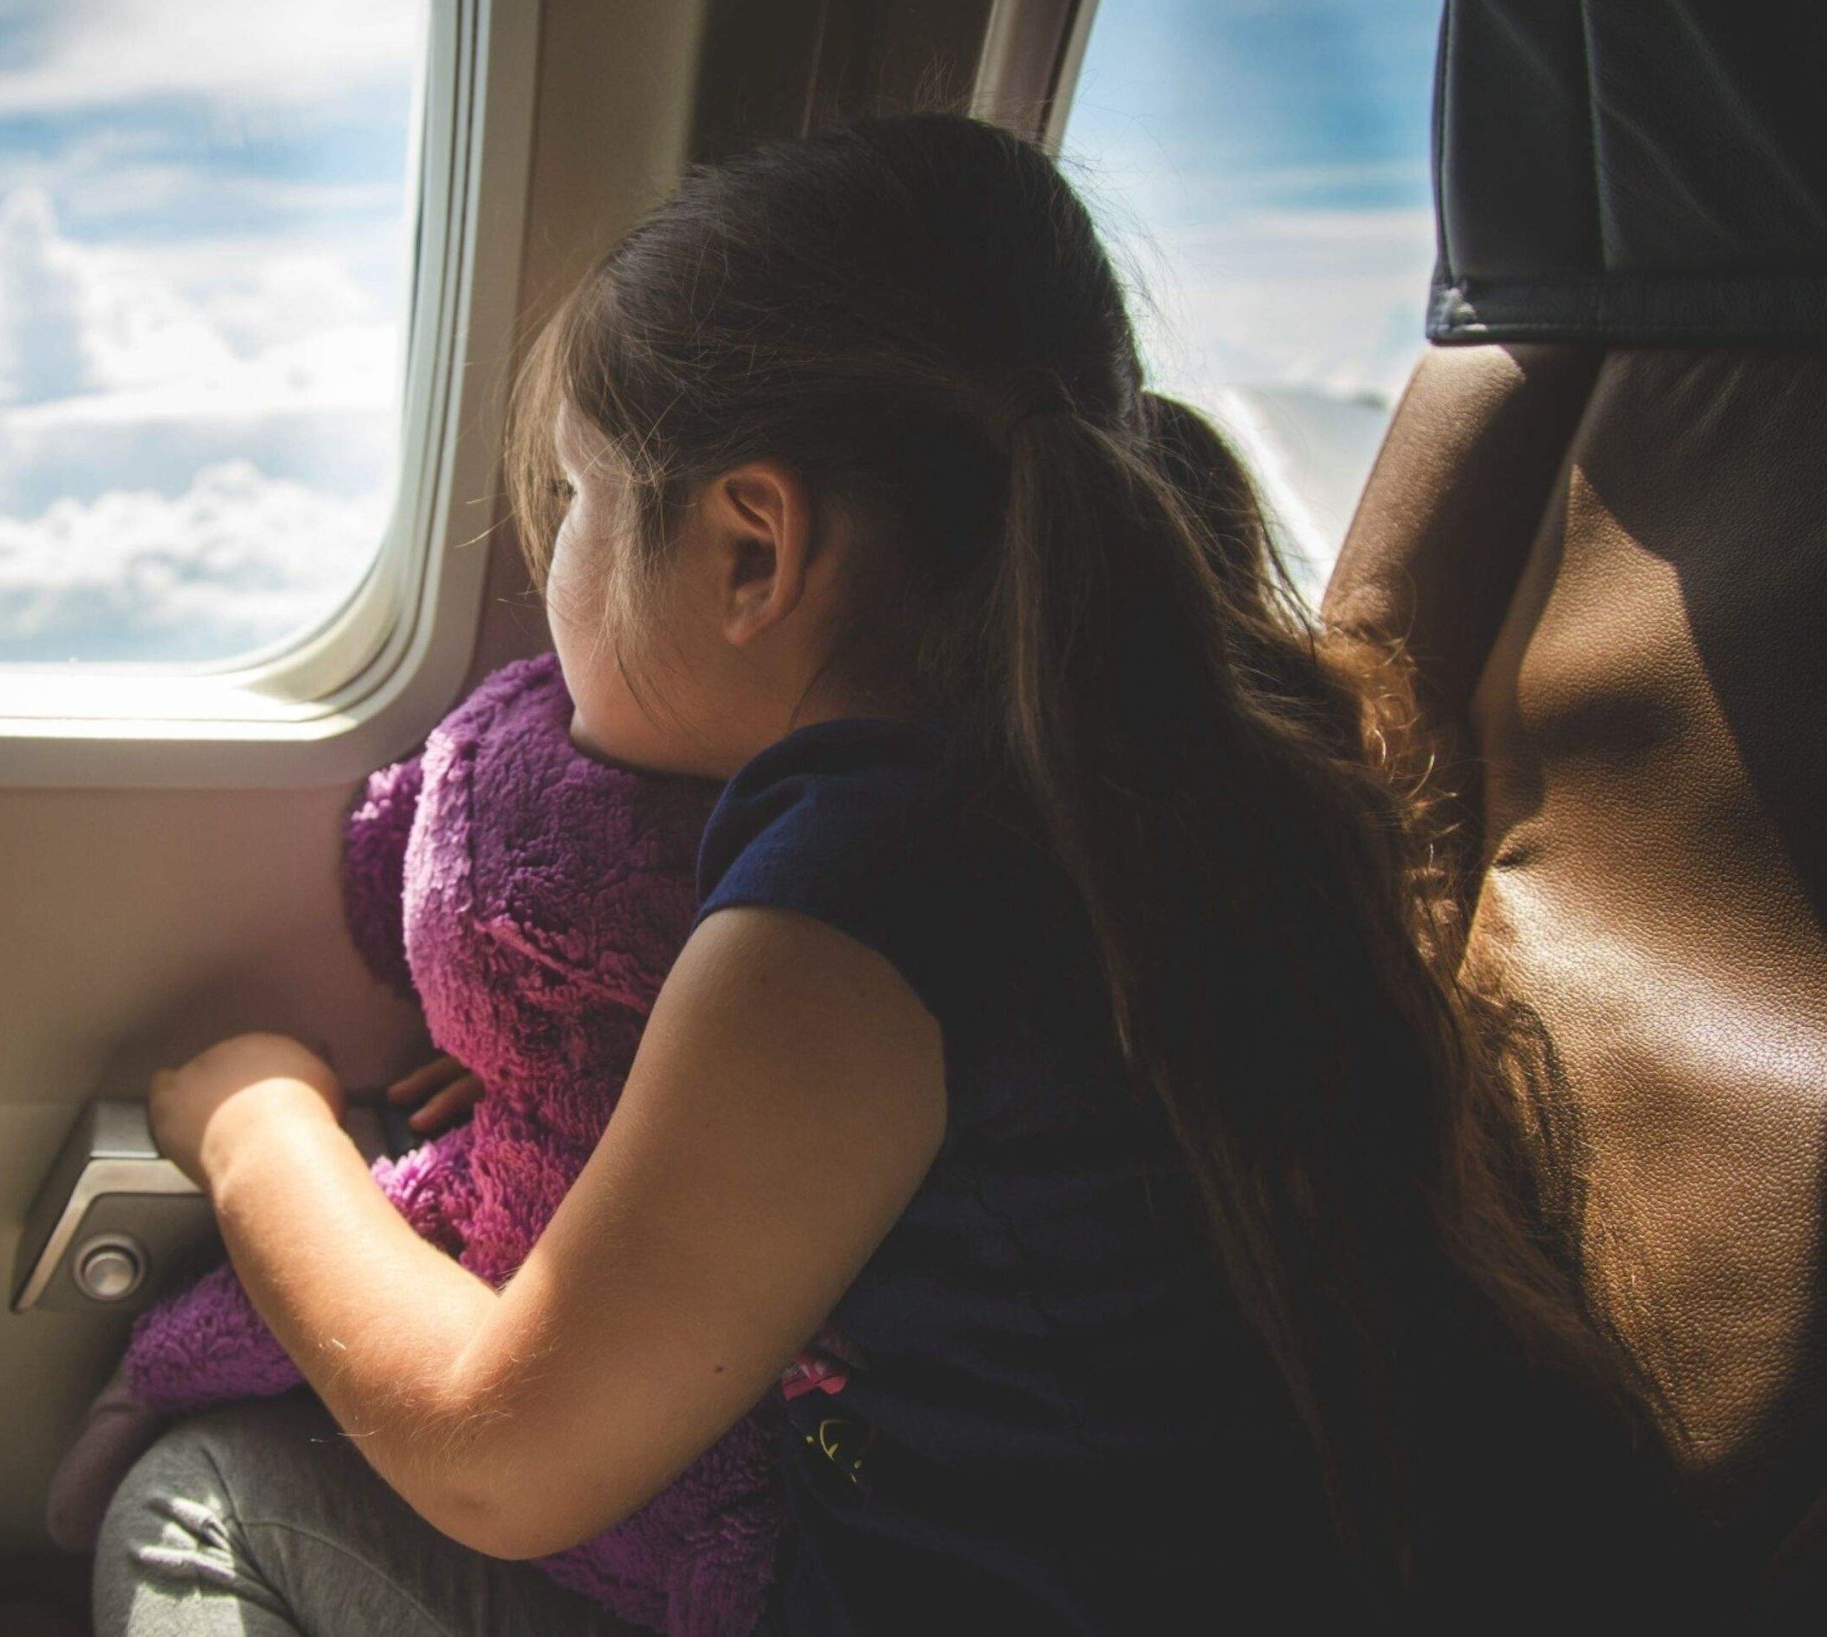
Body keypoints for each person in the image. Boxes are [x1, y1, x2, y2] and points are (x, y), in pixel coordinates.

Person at [96, 113, 1703, 1636]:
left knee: (208, 1498)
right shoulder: (1104, 797)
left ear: (752, 549)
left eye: (579, 495)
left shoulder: (858, 890)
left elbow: (498, 1452)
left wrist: (258, 1121)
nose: (552, 554)